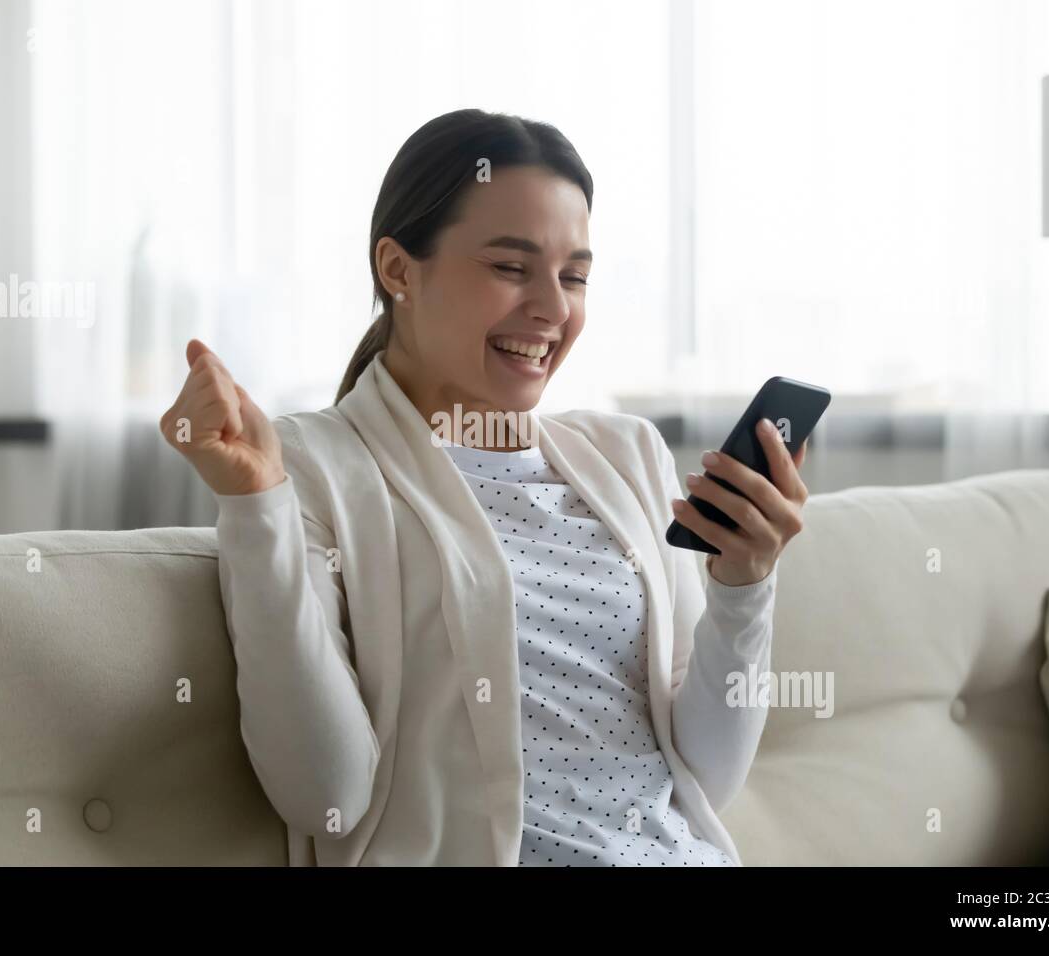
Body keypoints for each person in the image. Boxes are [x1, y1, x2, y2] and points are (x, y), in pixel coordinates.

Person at [160, 108, 809, 866]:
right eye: (510, 267)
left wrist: (743, 591)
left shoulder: (627, 454)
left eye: (574, 277)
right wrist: (256, 508)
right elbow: (325, 798)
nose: (553, 309)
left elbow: (706, 780)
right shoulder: (311, 466)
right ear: (399, 270)